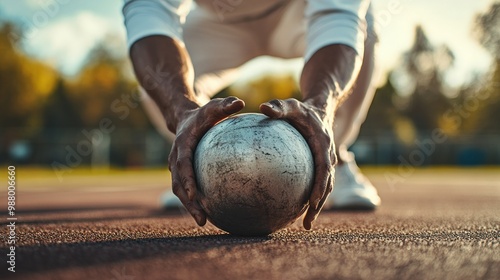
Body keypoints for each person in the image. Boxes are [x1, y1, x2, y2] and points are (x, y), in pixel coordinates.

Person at [123, 0, 380, 230]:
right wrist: (181, 112)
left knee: (365, 33)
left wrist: (320, 109)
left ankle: (336, 156)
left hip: (296, 11)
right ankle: (199, 170)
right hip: (217, 22)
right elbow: (148, 11)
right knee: (162, 83)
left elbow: (338, 18)